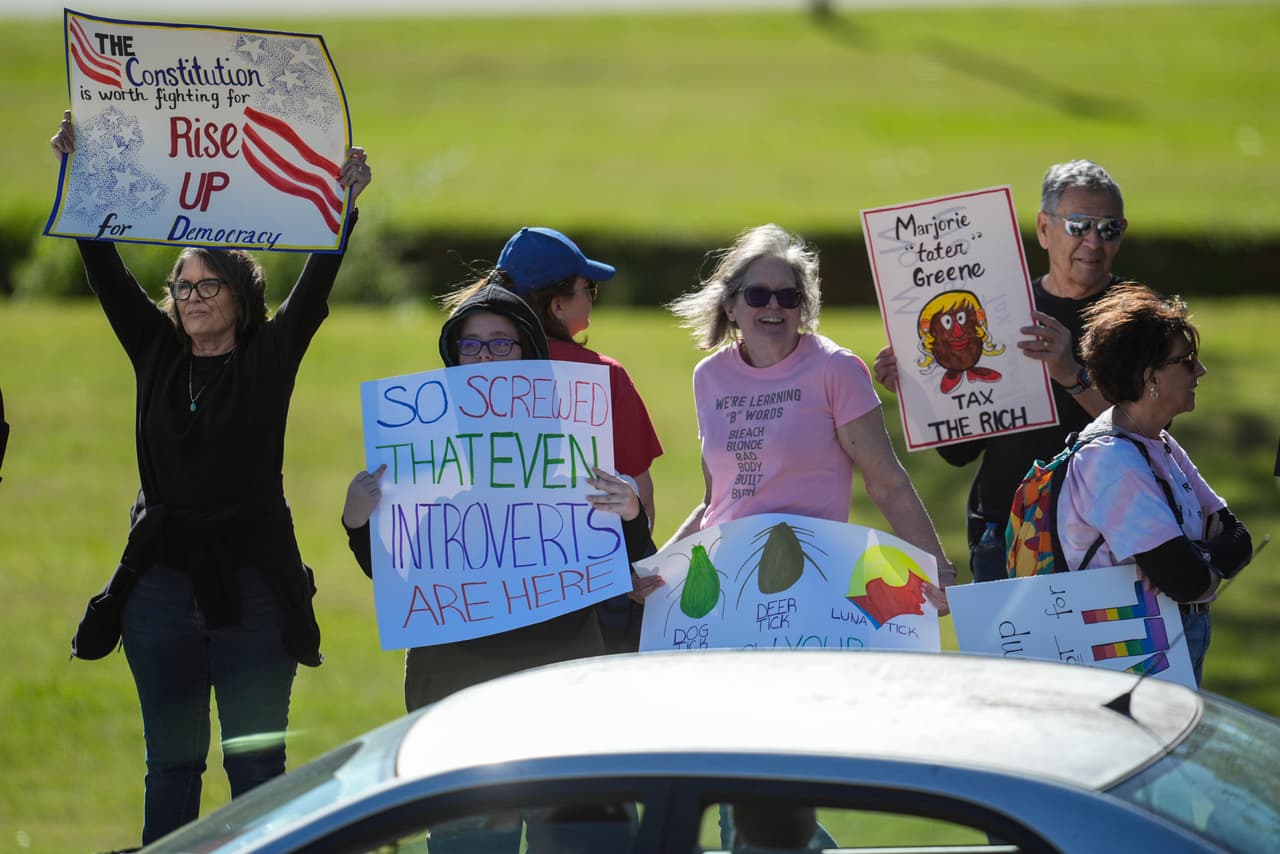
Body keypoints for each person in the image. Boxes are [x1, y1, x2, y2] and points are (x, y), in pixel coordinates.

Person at [49, 112, 372, 844]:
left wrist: (343, 206)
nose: (191, 298)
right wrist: (77, 171)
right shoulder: (155, 352)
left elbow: (314, 291)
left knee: (256, 769)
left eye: (208, 286)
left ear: (240, 297)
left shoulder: (268, 357)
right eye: (182, 286)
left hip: (255, 587)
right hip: (158, 589)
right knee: (171, 766)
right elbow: (104, 272)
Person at [341, 281, 660, 712]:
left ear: (527, 350)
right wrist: (357, 523)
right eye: (470, 344)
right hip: (452, 671)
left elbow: (624, 561)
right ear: (453, 354)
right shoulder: (420, 438)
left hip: (557, 667)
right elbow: (395, 580)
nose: (484, 357)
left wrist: (631, 512)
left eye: (500, 344)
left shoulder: (574, 437)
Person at [667, 223, 956, 600]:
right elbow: (715, 500)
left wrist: (940, 569)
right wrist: (662, 563)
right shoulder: (709, 376)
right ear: (731, 307)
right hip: (727, 584)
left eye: (788, 297)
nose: (774, 306)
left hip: (810, 581)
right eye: (757, 295)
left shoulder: (835, 369)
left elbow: (887, 483)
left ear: (802, 308)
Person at [874, 159, 1125, 583]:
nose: (1093, 242)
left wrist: (1070, 373)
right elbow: (960, 452)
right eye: (1079, 225)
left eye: (1109, 228)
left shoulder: (1135, 314)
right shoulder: (996, 310)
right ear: (1044, 229)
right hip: (1005, 535)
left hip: (1106, 538)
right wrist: (922, 394)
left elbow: (1152, 429)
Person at [442, 226, 664, 652]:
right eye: (590, 288)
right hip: (591, 593)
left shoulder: (467, 365)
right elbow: (642, 496)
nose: (592, 298)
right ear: (559, 304)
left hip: (484, 590)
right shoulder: (605, 376)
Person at [1056, 283, 1251, 685]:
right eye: (1186, 361)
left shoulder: (1157, 441)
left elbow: (1238, 536)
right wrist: (1201, 564)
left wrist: (1196, 556)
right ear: (1150, 377)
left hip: (1166, 639)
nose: (1200, 371)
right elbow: (1186, 579)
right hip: (1130, 655)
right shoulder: (1112, 461)